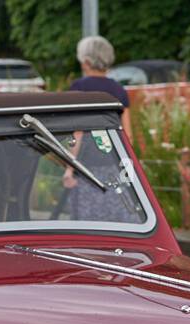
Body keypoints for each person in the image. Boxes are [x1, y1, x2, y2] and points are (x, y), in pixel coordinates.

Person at [64, 35, 135, 222]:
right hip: (113, 166)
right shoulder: (119, 90)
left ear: (86, 62)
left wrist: (69, 169)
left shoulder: (78, 88)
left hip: (87, 170)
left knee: (87, 223)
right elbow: (127, 135)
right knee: (114, 221)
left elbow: (77, 133)